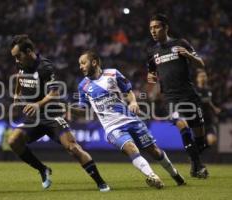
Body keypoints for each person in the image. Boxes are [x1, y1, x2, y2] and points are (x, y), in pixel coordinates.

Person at [70, 50, 185, 189]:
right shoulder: (83, 86)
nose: (80, 67)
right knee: (131, 148)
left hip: (131, 119)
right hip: (112, 127)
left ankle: (175, 175)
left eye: (83, 63)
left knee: (154, 150)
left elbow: (128, 91)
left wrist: (133, 102)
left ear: (94, 62)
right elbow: (84, 110)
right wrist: (69, 109)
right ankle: (152, 176)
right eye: (79, 64)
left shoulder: (112, 73)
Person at [9, 34, 110, 192]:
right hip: (34, 118)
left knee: (73, 148)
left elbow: (54, 94)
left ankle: (101, 183)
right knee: (13, 141)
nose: (16, 60)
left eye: (18, 56)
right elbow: (19, 78)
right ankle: (43, 169)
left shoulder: (45, 67)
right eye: (14, 57)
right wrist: (16, 94)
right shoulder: (22, 64)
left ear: (28, 51)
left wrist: (36, 104)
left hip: (52, 116)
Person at [146, 13, 208, 178]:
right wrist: (150, 76)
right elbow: (151, 72)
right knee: (182, 124)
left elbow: (201, 64)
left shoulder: (181, 43)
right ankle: (199, 167)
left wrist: (188, 55)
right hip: (170, 98)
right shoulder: (152, 51)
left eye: (156, 27)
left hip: (189, 96)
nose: (153, 31)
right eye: (151, 28)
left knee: (201, 142)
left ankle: (195, 163)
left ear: (166, 28)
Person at [196, 69, 220, 146]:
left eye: (204, 76)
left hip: (208, 120)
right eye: (201, 76)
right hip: (197, 121)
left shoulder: (209, 90)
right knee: (197, 146)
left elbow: (209, 101)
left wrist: (214, 109)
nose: (203, 78)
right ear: (197, 78)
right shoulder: (194, 90)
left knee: (212, 140)